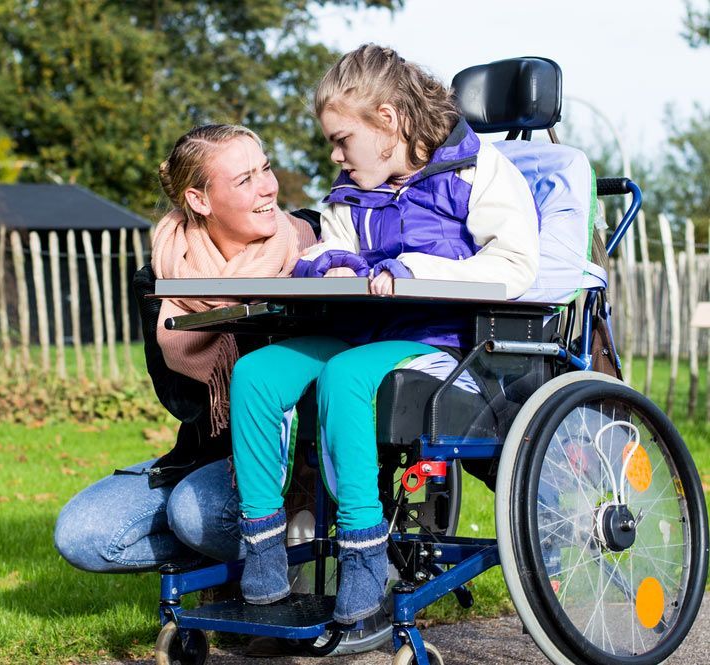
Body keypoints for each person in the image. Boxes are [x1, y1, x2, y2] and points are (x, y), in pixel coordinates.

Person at [231, 44, 540, 625]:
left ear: (388, 122)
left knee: (348, 376)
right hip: (359, 331)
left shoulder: (477, 172)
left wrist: (413, 269)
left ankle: (365, 556)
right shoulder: (353, 186)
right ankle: (265, 551)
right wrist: (331, 265)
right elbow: (331, 244)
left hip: (443, 341)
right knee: (256, 374)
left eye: (342, 139)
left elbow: (516, 268)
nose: (335, 154)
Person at [53, 124, 316, 573]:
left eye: (265, 168)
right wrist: (223, 311)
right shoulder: (162, 277)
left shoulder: (312, 250)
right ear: (199, 200)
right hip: (211, 453)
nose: (268, 187)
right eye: (244, 180)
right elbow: (184, 401)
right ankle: (245, 558)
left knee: (196, 515)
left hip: (304, 457)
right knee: (84, 534)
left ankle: (312, 556)